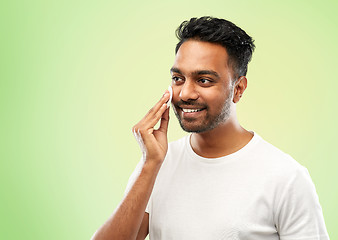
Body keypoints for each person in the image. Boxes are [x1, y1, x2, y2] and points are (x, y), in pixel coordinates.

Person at [92, 17, 329, 240]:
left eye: (204, 80)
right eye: (178, 79)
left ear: (238, 88)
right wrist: (150, 164)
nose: (185, 93)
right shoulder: (156, 165)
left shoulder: (286, 177)